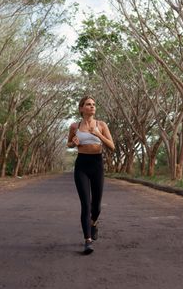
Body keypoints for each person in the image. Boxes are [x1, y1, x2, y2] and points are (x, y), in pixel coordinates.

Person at [67, 95, 115, 255]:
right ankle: (87, 240)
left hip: (97, 165)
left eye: (94, 104)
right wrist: (73, 144)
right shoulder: (75, 126)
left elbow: (112, 146)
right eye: (88, 104)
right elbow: (69, 143)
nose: (92, 106)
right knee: (86, 205)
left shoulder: (101, 125)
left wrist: (98, 134)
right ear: (81, 108)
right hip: (82, 165)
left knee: (97, 206)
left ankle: (93, 223)